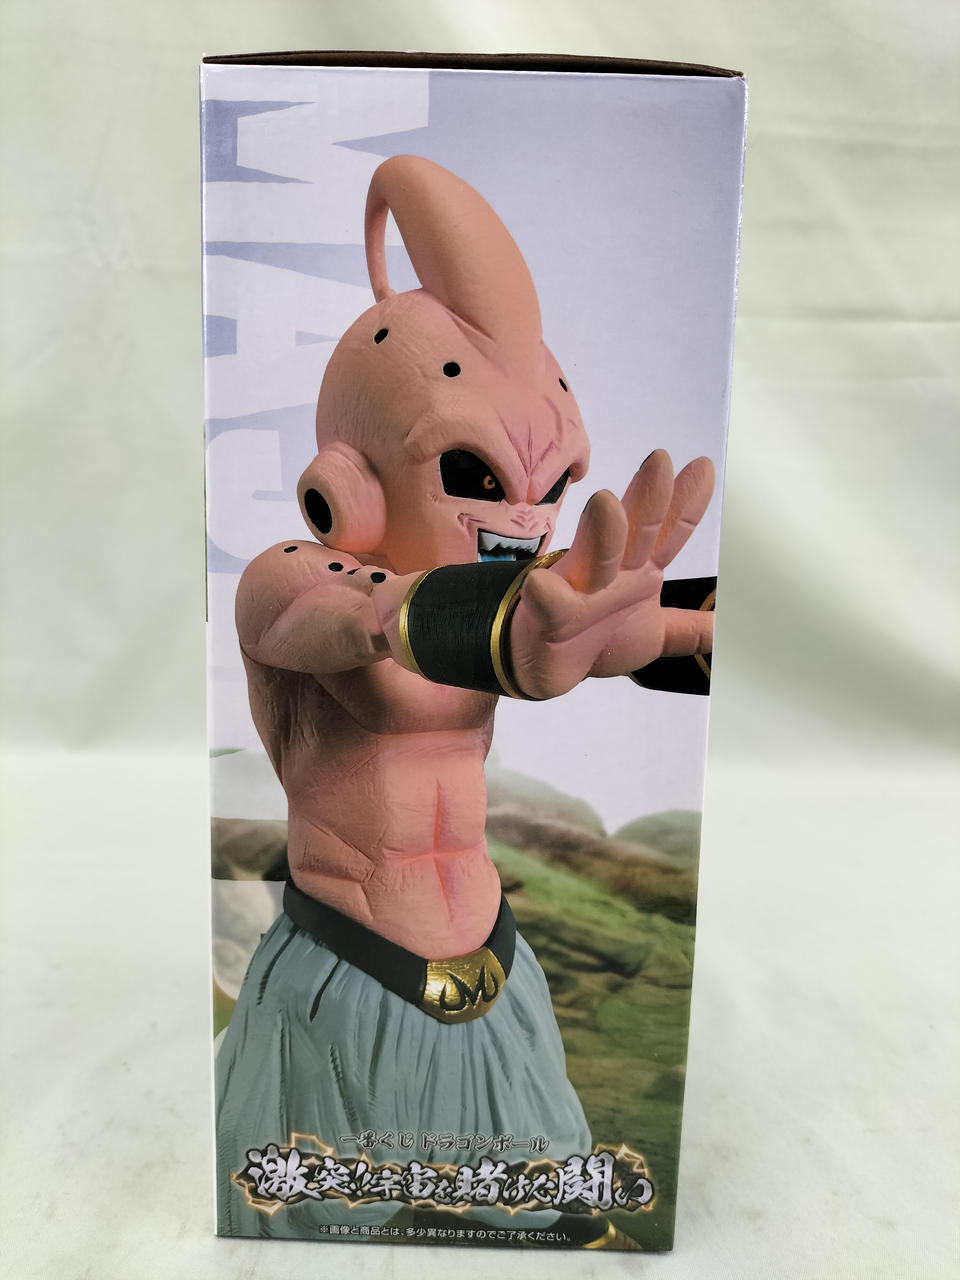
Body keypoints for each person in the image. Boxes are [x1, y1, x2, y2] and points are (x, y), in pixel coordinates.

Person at [216, 155, 714, 1243]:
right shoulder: (289, 580)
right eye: (481, 476)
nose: (524, 518)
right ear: (343, 484)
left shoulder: (527, 591)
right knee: (309, 1241)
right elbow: (368, 620)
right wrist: (514, 626)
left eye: (553, 484)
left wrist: (681, 628)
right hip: (344, 980)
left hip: (494, 975)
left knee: (556, 1227)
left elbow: (604, 628)